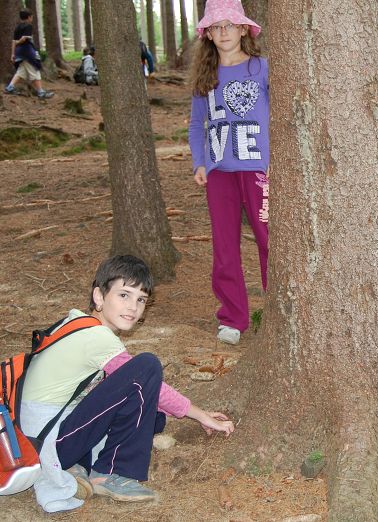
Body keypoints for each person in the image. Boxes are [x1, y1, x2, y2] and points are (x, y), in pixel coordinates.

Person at [19, 255, 235, 513]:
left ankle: (78, 466)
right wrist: (201, 415)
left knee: (153, 417)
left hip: (41, 436)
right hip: (48, 444)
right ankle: (111, 472)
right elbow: (142, 380)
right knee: (147, 366)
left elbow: (134, 392)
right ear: (99, 296)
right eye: (124, 295)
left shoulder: (76, 323)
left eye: (141, 299)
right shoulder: (97, 338)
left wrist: (181, 411)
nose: (133, 307)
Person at [188, 0, 269, 346]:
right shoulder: (206, 77)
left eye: (229, 25)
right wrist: (199, 161)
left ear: (242, 29)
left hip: (258, 169)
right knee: (224, 246)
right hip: (219, 171)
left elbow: (279, 116)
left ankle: (279, 309)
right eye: (215, 27)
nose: (223, 32)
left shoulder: (261, 68)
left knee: (270, 239)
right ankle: (233, 318)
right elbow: (196, 125)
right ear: (207, 34)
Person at [4, 9, 54, 99]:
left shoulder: (17, 27)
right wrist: (19, 42)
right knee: (34, 69)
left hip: (19, 51)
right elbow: (24, 39)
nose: (32, 18)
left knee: (21, 71)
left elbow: (13, 41)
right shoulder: (28, 26)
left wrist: (13, 54)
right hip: (27, 51)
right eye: (31, 17)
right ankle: (41, 92)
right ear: (29, 17)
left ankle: (10, 87)